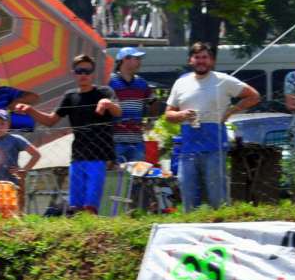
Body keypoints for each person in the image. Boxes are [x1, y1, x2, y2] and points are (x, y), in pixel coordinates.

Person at [14, 54, 120, 215]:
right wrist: (30, 110)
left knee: (91, 206)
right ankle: (77, 234)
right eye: (79, 71)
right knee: (75, 205)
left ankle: (90, 233)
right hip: (77, 155)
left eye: (87, 70)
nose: (83, 74)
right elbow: (50, 121)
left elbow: (118, 111)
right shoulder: (70, 96)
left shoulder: (104, 92)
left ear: (92, 73)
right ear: (74, 73)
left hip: (99, 155)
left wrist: (107, 104)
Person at [164, 42, 260, 210]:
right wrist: (181, 115)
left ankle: (221, 229)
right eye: (197, 57)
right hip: (188, 149)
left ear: (212, 61)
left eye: (205, 57)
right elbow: (168, 115)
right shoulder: (181, 83)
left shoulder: (223, 80)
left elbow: (254, 96)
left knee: (218, 199)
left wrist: (232, 111)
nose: (201, 61)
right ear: (190, 60)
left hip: (215, 148)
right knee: (188, 196)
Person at [109, 46, 155, 163]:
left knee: (136, 179)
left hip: (137, 141)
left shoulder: (142, 83)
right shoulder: (109, 82)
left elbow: (153, 102)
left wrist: (151, 121)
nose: (140, 62)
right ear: (125, 59)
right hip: (114, 142)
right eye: (137, 58)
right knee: (115, 179)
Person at [0, 109, 40, 185]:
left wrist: (23, 170)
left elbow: (36, 155)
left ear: (8, 125)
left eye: (2, 123)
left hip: (13, 184)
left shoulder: (16, 139)